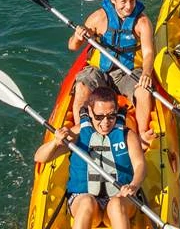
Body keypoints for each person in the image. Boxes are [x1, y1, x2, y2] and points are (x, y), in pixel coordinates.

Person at [34, 86, 145, 229]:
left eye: (111, 116)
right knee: (87, 201)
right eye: (99, 117)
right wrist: (55, 143)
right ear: (91, 112)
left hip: (120, 198)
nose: (105, 123)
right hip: (85, 199)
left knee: (116, 205)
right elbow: (40, 157)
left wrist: (134, 185)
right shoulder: (78, 133)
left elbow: (140, 165)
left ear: (116, 112)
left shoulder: (127, 135)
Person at [69, 0, 156, 147]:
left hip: (128, 73)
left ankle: (142, 134)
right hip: (100, 71)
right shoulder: (98, 17)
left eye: (132, 1)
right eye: (123, 2)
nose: (129, 6)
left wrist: (146, 73)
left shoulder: (142, 22)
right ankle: (81, 131)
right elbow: (72, 46)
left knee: (144, 91)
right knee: (81, 86)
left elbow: (148, 52)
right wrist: (78, 36)